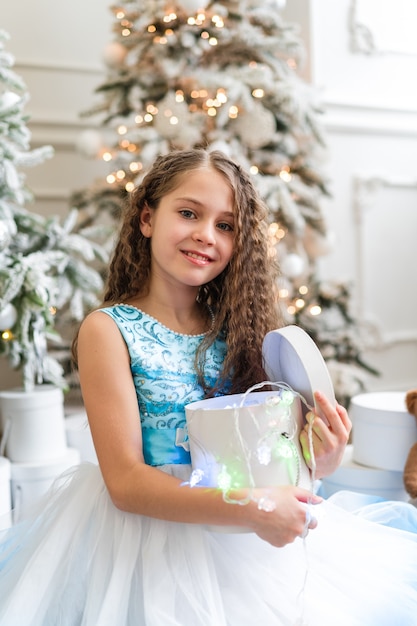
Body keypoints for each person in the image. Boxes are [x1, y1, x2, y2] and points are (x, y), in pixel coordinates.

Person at [0, 148, 417, 626]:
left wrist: (322, 456)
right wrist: (253, 509)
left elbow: (275, 456)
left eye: (226, 225)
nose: (205, 234)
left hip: (246, 542)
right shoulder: (108, 330)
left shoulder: (241, 328)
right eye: (188, 213)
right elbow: (126, 484)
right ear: (147, 218)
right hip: (148, 541)